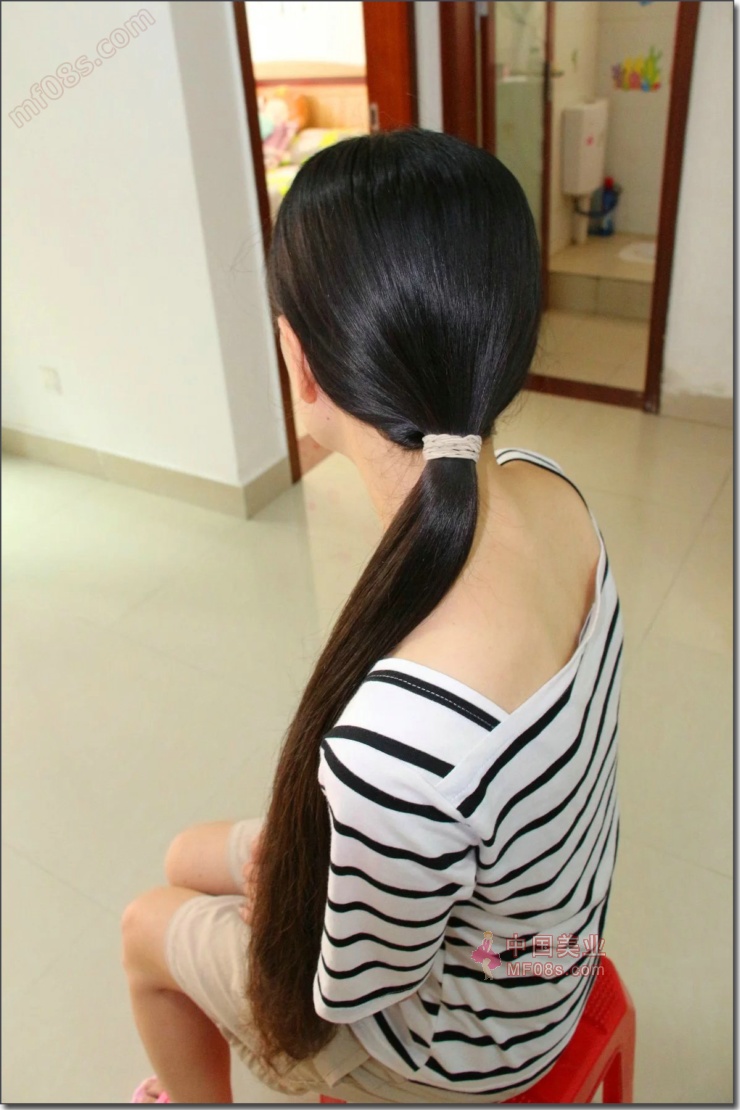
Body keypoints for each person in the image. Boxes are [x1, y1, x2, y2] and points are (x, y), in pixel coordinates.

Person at [122, 128, 623, 1104]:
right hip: (541, 949)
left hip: (464, 1052)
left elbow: (351, 994)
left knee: (148, 921)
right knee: (189, 854)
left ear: (300, 363)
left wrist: (297, 914)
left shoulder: (397, 736)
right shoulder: (553, 492)